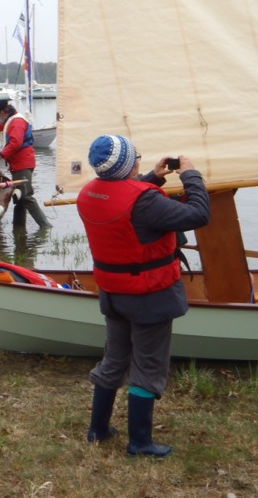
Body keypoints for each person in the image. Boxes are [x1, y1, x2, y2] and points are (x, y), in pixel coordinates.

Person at [77, 134, 210, 458]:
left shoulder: (87, 193)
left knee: (114, 360)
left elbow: (124, 201)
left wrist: (153, 177)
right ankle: (139, 443)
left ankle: (97, 430)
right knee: (148, 367)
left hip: (113, 294)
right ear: (127, 164)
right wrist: (191, 175)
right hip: (148, 295)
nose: (139, 159)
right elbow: (198, 215)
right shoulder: (145, 202)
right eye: (135, 155)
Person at [0, 99, 51, 230]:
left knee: (25, 196)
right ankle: (18, 228)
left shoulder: (17, 122)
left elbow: (16, 142)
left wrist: (1, 155)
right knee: (18, 198)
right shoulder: (10, 120)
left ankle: (46, 227)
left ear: (3, 112)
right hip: (18, 164)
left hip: (23, 164)